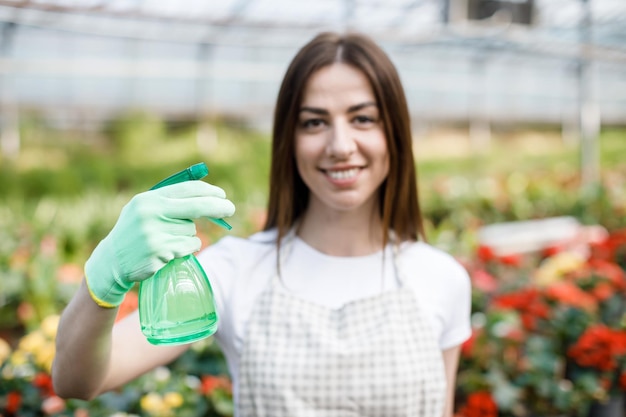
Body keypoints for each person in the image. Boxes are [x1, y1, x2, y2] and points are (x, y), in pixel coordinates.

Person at [52, 31, 471, 417]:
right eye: (314, 122)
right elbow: (78, 381)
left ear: (395, 133)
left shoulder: (440, 278)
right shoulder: (235, 269)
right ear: (288, 140)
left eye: (363, 118)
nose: (341, 146)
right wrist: (104, 278)